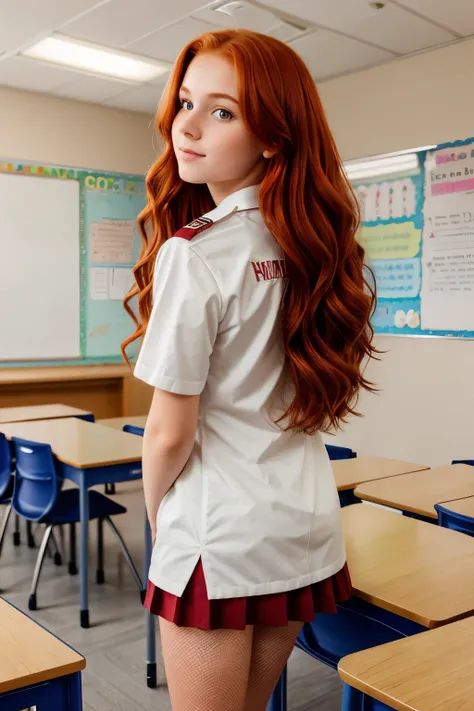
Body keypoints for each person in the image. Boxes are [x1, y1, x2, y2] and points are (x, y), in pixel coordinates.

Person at [122, 28, 375, 711]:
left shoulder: (196, 252)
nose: (188, 126)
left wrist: (161, 519)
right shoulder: (316, 247)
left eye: (222, 110)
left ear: (272, 136)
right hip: (303, 527)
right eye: (185, 102)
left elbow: (167, 434)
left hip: (216, 539)